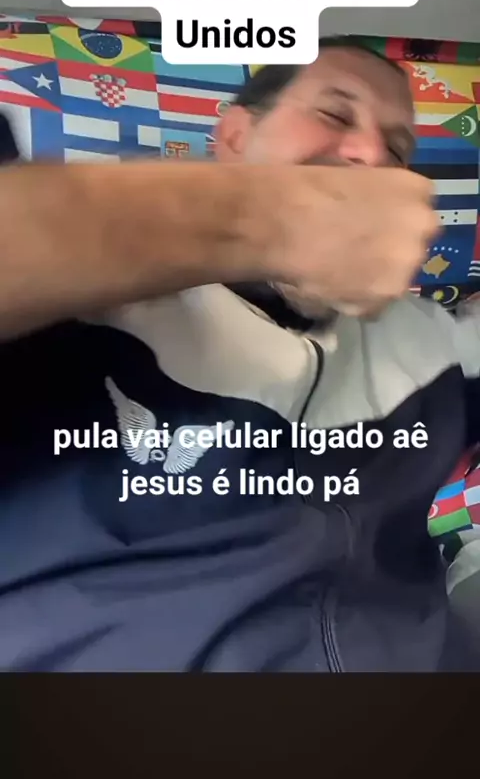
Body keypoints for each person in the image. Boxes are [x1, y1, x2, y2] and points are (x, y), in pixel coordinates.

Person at [0, 37, 477, 672]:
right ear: (233, 137)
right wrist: (272, 222)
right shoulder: (76, 313)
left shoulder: (428, 343)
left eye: (397, 150)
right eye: (334, 114)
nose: (371, 157)